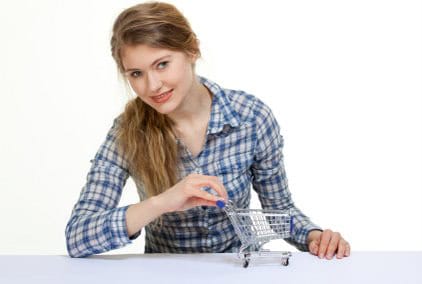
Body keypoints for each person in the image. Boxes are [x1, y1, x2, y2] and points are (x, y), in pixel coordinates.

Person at [65, 1, 350, 259]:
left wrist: (315, 237)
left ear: (192, 51)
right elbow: (78, 237)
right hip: (164, 276)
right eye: (136, 74)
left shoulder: (250, 117)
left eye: (162, 64)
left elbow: (280, 210)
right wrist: (163, 202)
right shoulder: (127, 131)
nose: (152, 86)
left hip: (240, 271)